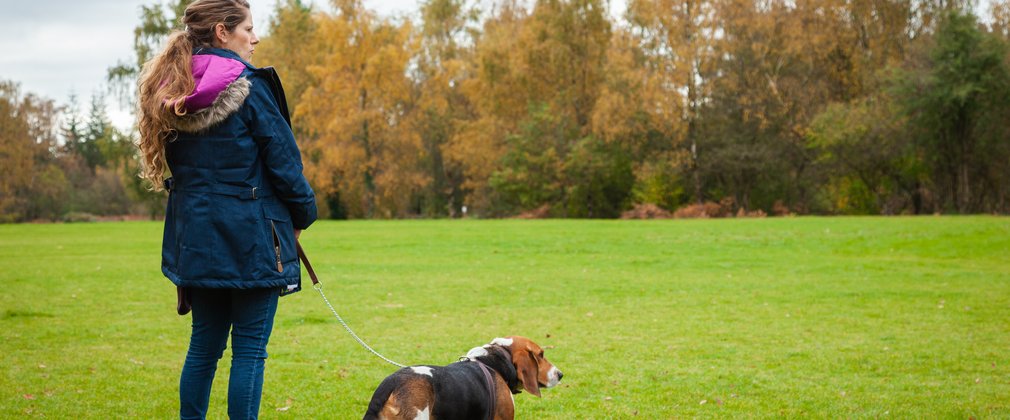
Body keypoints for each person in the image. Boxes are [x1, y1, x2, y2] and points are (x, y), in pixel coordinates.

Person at [135, 1, 317, 418]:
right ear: (222, 32)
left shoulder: (172, 90)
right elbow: (286, 165)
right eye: (248, 29)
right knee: (249, 351)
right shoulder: (250, 88)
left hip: (196, 239)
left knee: (203, 347)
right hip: (251, 239)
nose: (255, 38)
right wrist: (302, 217)